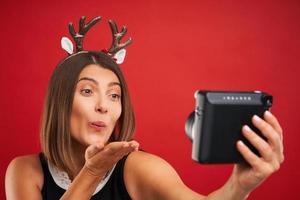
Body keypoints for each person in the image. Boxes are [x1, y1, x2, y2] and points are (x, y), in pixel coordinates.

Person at [5, 16, 284, 200]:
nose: (104, 106)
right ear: (60, 102)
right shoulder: (25, 171)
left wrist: (240, 185)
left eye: (114, 96)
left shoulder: (138, 168)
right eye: (88, 91)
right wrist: (90, 173)